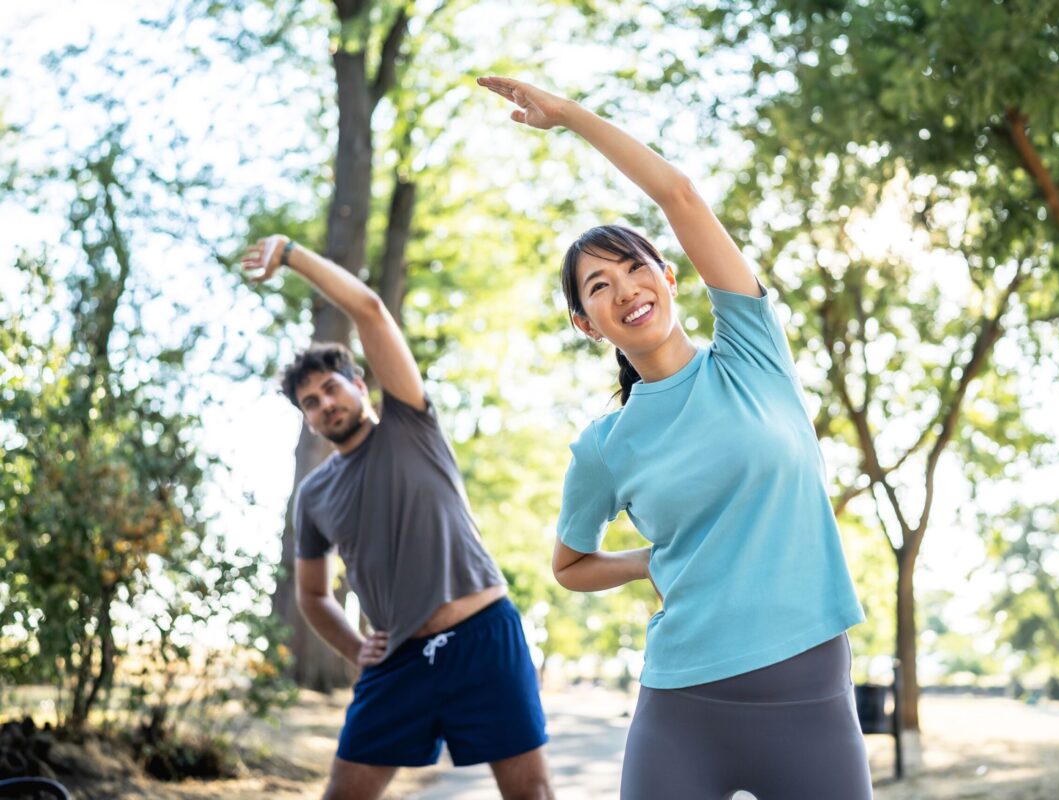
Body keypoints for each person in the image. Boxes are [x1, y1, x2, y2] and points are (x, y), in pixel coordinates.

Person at [479, 76, 873, 799]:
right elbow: (570, 565)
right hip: (682, 707)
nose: (624, 288)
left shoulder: (753, 353)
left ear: (667, 277)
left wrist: (568, 116)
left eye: (634, 268)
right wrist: (646, 564)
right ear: (584, 323)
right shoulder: (605, 445)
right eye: (597, 286)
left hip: (810, 698)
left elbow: (680, 196)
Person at [240, 236, 553, 800]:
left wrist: (290, 254)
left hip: (483, 637)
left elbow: (369, 310)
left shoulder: (411, 424)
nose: (324, 403)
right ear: (307, 419)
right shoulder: (312, 496)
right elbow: (313, 595)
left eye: (331, 388)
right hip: (398, 660)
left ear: (359, 386)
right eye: (309, 401)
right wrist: (355, 647)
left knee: (530, 795)